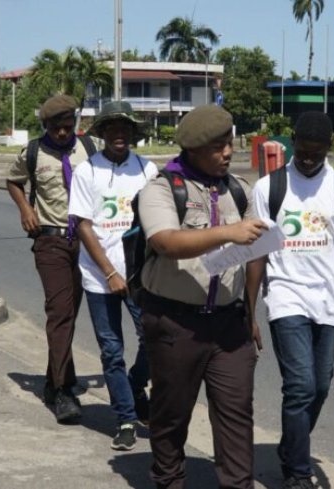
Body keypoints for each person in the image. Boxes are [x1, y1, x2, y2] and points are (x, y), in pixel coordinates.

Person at [137, 105, 268, 489]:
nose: (228, 153)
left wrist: (251, 311)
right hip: (176, 324)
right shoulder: (162, 188)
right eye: (217, 147)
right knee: (172, 413)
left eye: (229, 144)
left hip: (229, 324)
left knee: (236, 414)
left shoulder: (239, 190)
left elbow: (253, 253)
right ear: (193, 150)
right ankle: (169, 480)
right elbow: (165, 242)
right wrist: (228, 233)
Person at [252, 112, 334, 489]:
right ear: (293, 144)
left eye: (316, 153)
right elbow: (256, 253)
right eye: (302, 151)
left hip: (328, 302)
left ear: (329, 149)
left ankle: (290, 447)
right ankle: (298, 474)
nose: (307, 159)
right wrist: (248, 309)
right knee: (300, 385)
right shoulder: (269, 188)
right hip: (286, 296)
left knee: (320, 385)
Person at [68, 101, 156, 450]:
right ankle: (125, 418)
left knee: (152, 338)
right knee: (111, 349)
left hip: (139, 275)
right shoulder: (87, 171)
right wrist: (108, 272)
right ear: (102, 133)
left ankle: (135, 384)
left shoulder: (148, 170)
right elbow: (84, 227)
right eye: (112, 129)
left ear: (133, 133)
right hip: (98, 275)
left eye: (125, 129)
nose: (119, 135)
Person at [5, 95, 91, 423]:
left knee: (70, 313)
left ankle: (57, 377)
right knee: (60, 312)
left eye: (69, 127)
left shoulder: (89, 150)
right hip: (50, 241)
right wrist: (25, 209)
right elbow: (13, 181)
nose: (63, 133)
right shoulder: (33, 151)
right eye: (56, 128)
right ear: (46, 126)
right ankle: (61, 391)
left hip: (86, 242)